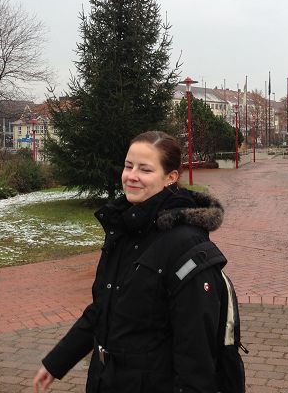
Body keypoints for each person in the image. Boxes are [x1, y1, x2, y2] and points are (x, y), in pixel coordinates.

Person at [33, 130, 228, 392]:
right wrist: (56, 362)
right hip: (106, 380)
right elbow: (103, 309)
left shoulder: (186, 244)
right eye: (128, 166)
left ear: (171, 177)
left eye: (145, 169)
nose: (132, 176)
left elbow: (196, 354)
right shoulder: (126, 227)